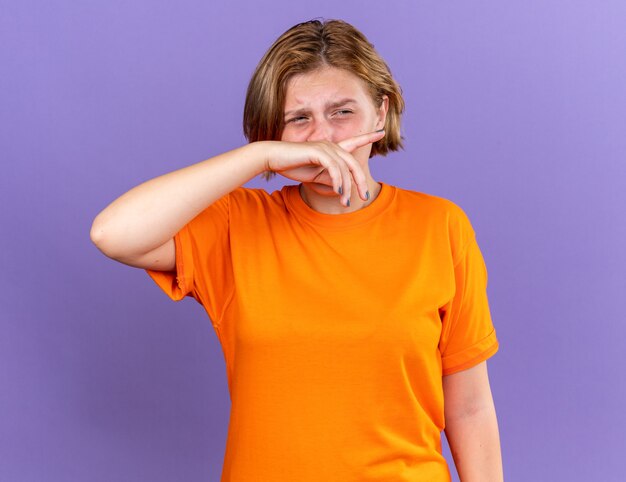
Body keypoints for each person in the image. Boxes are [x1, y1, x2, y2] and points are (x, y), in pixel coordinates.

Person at [91, 19, 503, 482]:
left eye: (342, 111)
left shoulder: (440, 225)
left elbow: (469, 408)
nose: (323, 137)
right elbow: (113, 233)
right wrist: (257, 158)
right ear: (275, 132)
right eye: (299, 119)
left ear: (380, 114)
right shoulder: (237, 225)